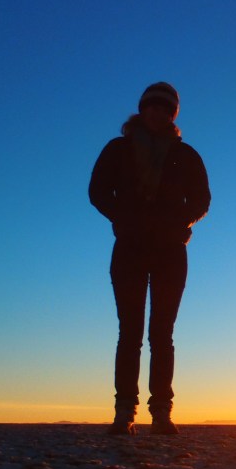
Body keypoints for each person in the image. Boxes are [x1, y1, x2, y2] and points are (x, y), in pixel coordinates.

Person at [89, 82, 211, 435]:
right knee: (129, 333)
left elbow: (201, 199)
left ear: (172, 115)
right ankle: (124, 412)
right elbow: (97, 191)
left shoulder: (185, 155)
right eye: (152, 107)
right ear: (142, 109)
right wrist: (123, 218)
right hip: (129, 249)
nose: (157, 113)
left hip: (170, 252)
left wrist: (180, 223)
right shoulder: (119, 149)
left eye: (165, 109)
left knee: (162, 334)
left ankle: (161, 412)